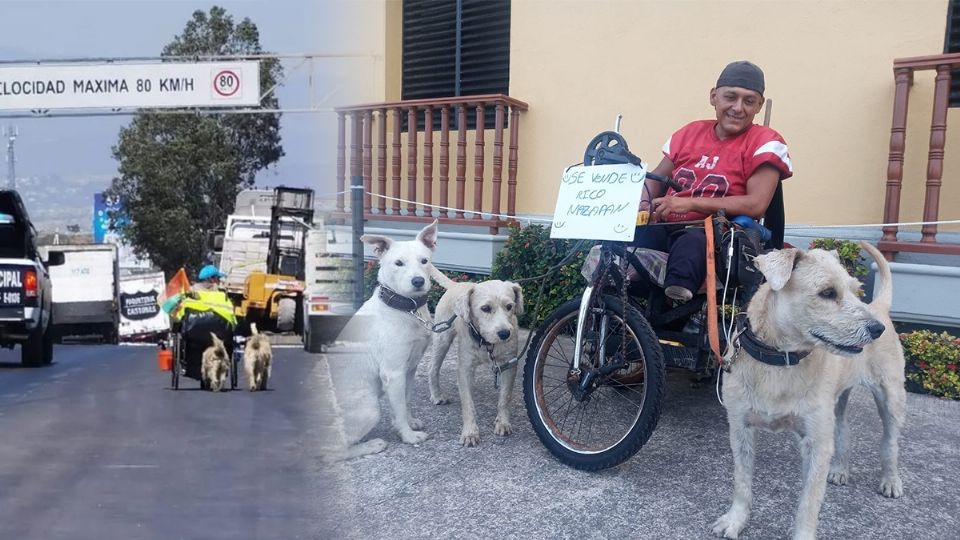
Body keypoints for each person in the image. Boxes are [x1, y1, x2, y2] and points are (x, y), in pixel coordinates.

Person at [635, 60, 793, 302]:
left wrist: (689, 204)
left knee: (692, 244)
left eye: (749, 101)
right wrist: (644, 204)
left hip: (717, 234)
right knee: (623, 241)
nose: (738, 108)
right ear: (714, 97)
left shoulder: (765, 141)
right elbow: (656, 179)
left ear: (759, 105)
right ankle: (614, 312)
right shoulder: (689, 133)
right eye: (730, 97)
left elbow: (756, 205)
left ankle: (676, 303)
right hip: (665, 225)